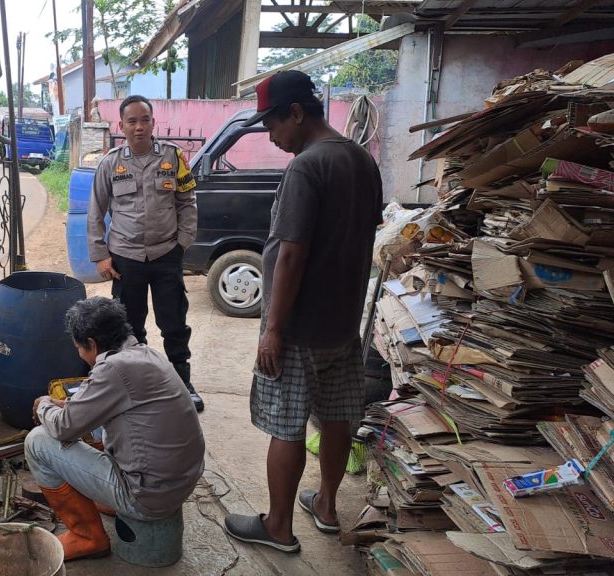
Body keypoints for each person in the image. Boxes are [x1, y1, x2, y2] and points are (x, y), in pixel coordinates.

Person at [223, 71, 383, 553]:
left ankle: (278, 526)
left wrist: (272, 328)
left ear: (296, 112)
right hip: (342, 323)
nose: (271, 137)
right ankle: (328, 506)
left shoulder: (307, 167)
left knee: (286, 425)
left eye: (272, 124)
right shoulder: (361, 159)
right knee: (337, 417)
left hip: (299, 327)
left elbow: (291, 252)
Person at [25, 296, 205, 561]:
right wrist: (63, 404)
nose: (79, 353)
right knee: (96, 424)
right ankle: (108, 500)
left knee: (38, 441)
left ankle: (87, 537)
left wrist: (43, 406)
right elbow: (93, 405)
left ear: (92, 344)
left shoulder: (112, 369)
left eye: (79, 347)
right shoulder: (143, 353)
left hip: (147, 496)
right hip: (178, 483)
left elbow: (64, 428)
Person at [87, 95, 203, 411]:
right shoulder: (110, 163)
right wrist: (100, 256)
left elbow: (187, 201)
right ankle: (138, 385)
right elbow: (95, 212)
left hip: (166, 254)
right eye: (132, 121)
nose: (139, 127)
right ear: (121, 125)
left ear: (153, 122)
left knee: (174, 323)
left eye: (145, 120)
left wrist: (183, 242)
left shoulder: (173, 157)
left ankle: (183, 382)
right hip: (126, 258)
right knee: (130, 327)